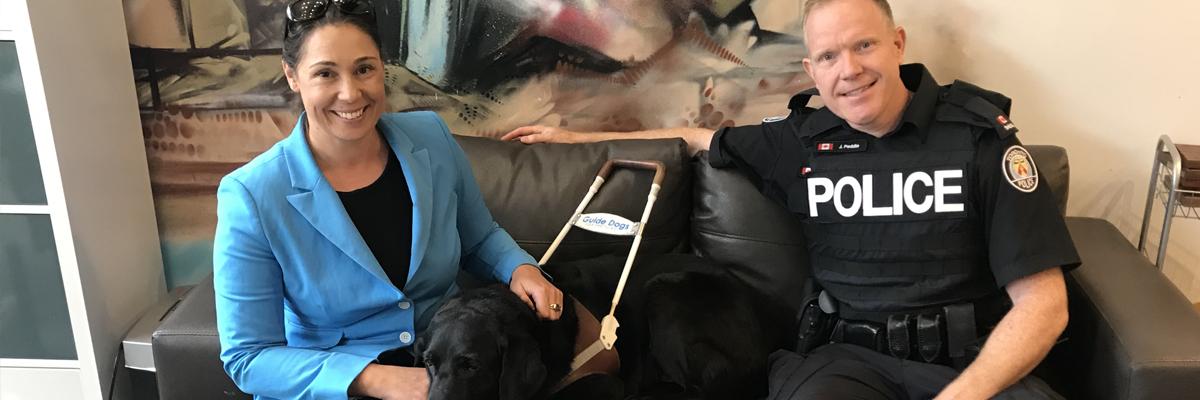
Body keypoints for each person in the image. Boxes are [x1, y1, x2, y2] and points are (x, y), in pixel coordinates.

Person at [502, 0, 1080, 398]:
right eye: (828, 57)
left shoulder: (980, 140)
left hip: (973, 365)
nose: (848, 70)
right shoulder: (801, 140)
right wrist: (574, 137)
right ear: (811, 70)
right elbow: (694, 137)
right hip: (847, 366)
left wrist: (965, 392)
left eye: (864, 46)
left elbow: (1044, 306)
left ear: (897, 43)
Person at [212, 1, 563, 399]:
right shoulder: (251, 195)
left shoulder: (431, 136)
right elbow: (249, 357)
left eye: (365, 69)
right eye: (326, 73)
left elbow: (480, 238)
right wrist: (375, 379)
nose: (350, 93)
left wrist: (520, 268)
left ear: (383, 68)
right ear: (292, 76)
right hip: (336, 386)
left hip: (447, 371)